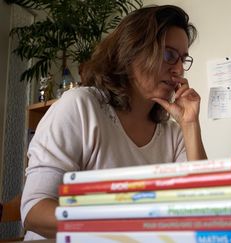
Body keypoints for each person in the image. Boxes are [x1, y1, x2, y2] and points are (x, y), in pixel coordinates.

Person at [20, 5, 207, 240]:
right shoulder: (81, 106)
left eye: (183, 59)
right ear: (132, 53)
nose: (179, 70)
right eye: (169, 55)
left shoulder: (173, 133)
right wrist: (126, 221)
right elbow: (34, 211)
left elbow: (203, 206)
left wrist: (190, 124)